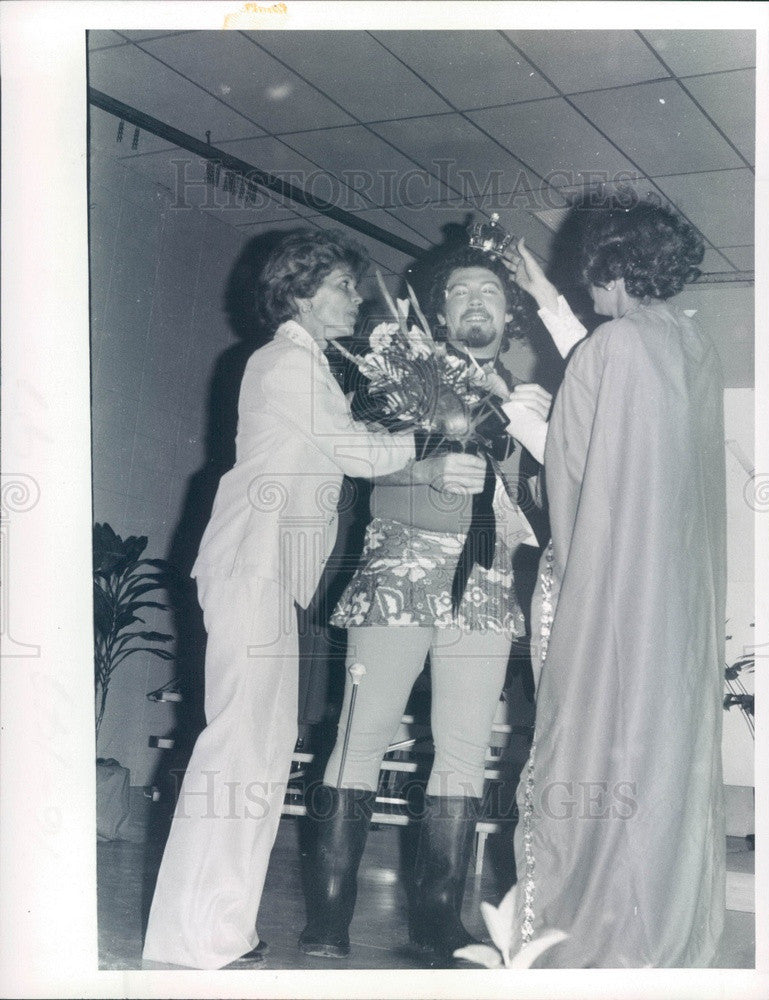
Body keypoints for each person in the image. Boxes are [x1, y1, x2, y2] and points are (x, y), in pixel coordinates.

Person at [142, 229, 484, 970]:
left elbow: (349, 444)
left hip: (267, 571)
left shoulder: (307, 365)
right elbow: (357, 451)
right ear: (299, 291)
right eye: (341, 285)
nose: (356, 297)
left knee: (260, 750)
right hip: (251, 563)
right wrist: (437, 438)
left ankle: (216, 929)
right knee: (240, 749)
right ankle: (195, 935)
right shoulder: (286, 361)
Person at [297, 245, 552, 963]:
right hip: (399, 570)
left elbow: (548, 498)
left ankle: (439, 922)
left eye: (492, 293)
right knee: (360, 737)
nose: (477, 301)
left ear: (510, 315)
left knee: (465, 753)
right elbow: (360, 469)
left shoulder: (526, 403)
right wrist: (427, 464)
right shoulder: (393, 377)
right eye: (461, 291)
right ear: (438, 312)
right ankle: (328, 919)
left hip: (485, 584)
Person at [501, 201, 727, 967]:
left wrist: (518, 415)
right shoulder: (688, 345)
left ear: (609, 263)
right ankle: (657, 933)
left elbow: (576, 471)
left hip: (610, 595)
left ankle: (590, 932)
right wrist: (545, 301)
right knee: (654, 759)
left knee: (594, 746)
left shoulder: (615, 347)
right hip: (674, 606)